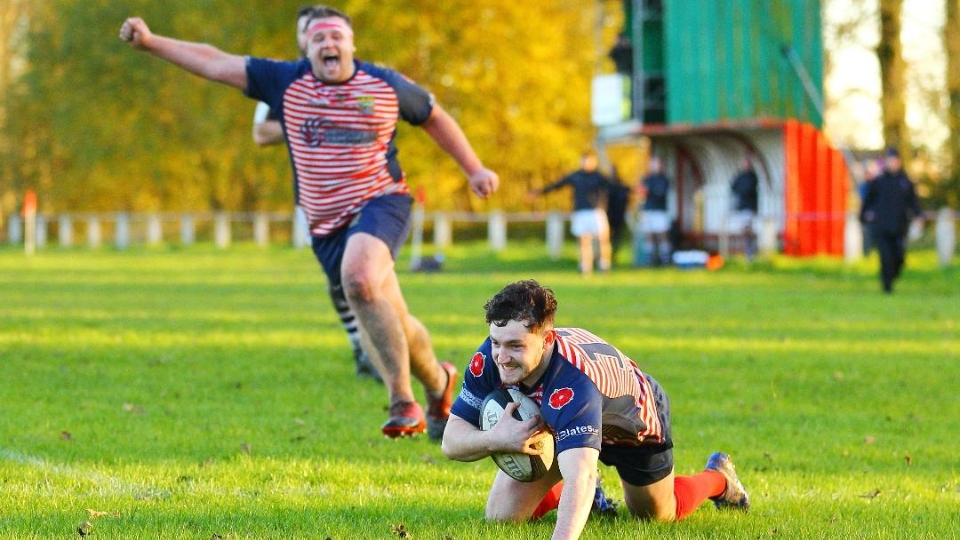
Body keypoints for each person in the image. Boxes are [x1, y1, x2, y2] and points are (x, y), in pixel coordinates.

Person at [119, 6, 500, 439]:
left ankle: (401, 399)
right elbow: (213, 60)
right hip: (326, 225)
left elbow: (433, 116)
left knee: (358, 281)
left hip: (381, 201)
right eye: (318, 38)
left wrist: (474, 168)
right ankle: (439, 384)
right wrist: (151, 43)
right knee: (392, 314)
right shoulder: (284, 81)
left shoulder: (384, 84)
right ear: (306, 47)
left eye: (336, 36)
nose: (328, 44)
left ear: (352, 43)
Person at [442, 279, 749, 540]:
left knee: (656, 515)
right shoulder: (489, 359)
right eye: (496, 342)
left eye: (515, 346)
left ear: (547, 339)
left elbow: (583, 477)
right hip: (563, 424)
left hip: (632, 425)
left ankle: (718, 478)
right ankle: (581, 492)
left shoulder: (574, 382)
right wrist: (496, 439)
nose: (502, 357)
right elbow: (451, 442)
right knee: (501, 518)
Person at [250, 5, 377, 381]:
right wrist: (314, 119)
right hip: (314, 197)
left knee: (370, 276)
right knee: (339, 278)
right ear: (301, 40)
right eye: (309, 33)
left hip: (367, 193)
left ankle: (380, 351)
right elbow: (261, 133)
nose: (318, 41)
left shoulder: (363, 77)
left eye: (327, 33)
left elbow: (379, 116)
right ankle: (360, 347)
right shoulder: (285, 82)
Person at [529, 153, 612, 274]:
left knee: (602, 239)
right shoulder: (576, 176)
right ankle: (585, 267)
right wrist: (539, 192)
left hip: (596, 212)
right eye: (584, 160)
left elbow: (614, 187)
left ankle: (604, 265)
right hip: (580, 212)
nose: (586, 163)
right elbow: (557, 185)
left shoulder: (600, 177)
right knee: (584, 240)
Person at [859, 147, 922, 294]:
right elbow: (868, 201)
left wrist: (919, 216)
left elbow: (913, 202)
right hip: (881, 227)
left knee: (899, 257)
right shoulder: (878, 182)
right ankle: (886, 286)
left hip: (900, 227)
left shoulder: (905, 182)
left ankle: (890, 278)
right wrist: (863, 217)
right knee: (886, 257)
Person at [637, 156, 671, 266]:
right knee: (649, 235)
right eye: (652, 164)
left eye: (656, 164)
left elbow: (661, 193)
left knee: (662, 234)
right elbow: (641, 193)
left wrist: (649, 190)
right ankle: (649, 259)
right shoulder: (646, 179)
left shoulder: (664, 179)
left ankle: (665, 258)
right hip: (648, 210)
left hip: (660, 211)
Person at [729, 157, 759, 261]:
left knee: (747, 229)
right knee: (743, 230)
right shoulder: (740, 176)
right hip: (741, 207)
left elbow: (748, 190)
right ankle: (747, 252)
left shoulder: (752, 177)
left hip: (749, 207)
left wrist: (741, 189)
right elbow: (733, 187)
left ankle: (751, 253)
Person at [605, 166, 631, 264]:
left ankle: (612, 256)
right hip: (610, 214)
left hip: (617, 215)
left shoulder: (619, 185)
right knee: (608, 236)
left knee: (615, 237)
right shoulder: (607, 184)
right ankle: (607, 256)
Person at [856, 158, 881, 257]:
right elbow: (861, 202)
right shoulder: (863, 186)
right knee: (867, 238)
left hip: (878, 217)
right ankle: (867, 256)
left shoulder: (878, 185)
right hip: (866, 218)